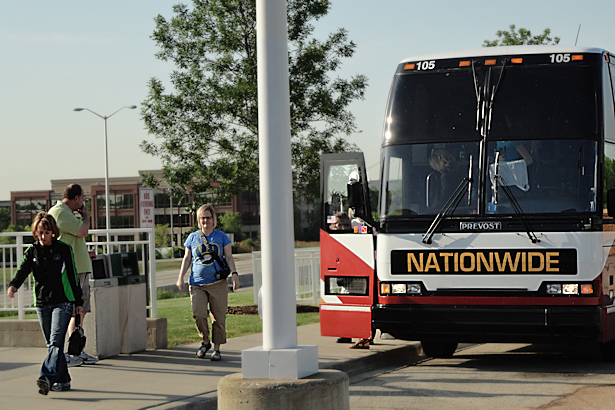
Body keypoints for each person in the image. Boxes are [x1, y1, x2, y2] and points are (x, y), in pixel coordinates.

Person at [7, 212, 83, 395]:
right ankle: (64, 381)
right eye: (40, 232)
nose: (43, 236)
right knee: (52, 345)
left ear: (53, 233)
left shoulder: (63, 250)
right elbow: (22, 271)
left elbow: (73, 277)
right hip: (42, 303)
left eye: (47, 233)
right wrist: (13, 286)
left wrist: (78, 302)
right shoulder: (32, 251)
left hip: (62, 302)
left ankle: (46, 377)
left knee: (56, 342)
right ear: (35, 233)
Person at [177, 204, 240, 361]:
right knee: (198, 314)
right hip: (197, 284)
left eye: (208, 217)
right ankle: (205, 341)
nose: (206, 221)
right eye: (202, 218)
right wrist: (180, 277)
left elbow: (229, 257)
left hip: (217, 283)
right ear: (199, 220)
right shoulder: (192, 237)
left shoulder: (222, 237)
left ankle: (217, 348)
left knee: (218, 318)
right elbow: (186, 259)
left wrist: (235, 274)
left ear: (213, 219)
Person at [48, 183, 98, 366]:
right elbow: (83, 230)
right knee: (71, 311)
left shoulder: (66, 214)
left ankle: (77, 350)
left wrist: (87, 253)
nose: (84, 202)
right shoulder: (61, 212)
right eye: (83, 198)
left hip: (79, 266)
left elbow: (73, 238)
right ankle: (68, 353)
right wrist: (86, 216)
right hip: (72, 270)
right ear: (75, 198)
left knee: (80, 311)